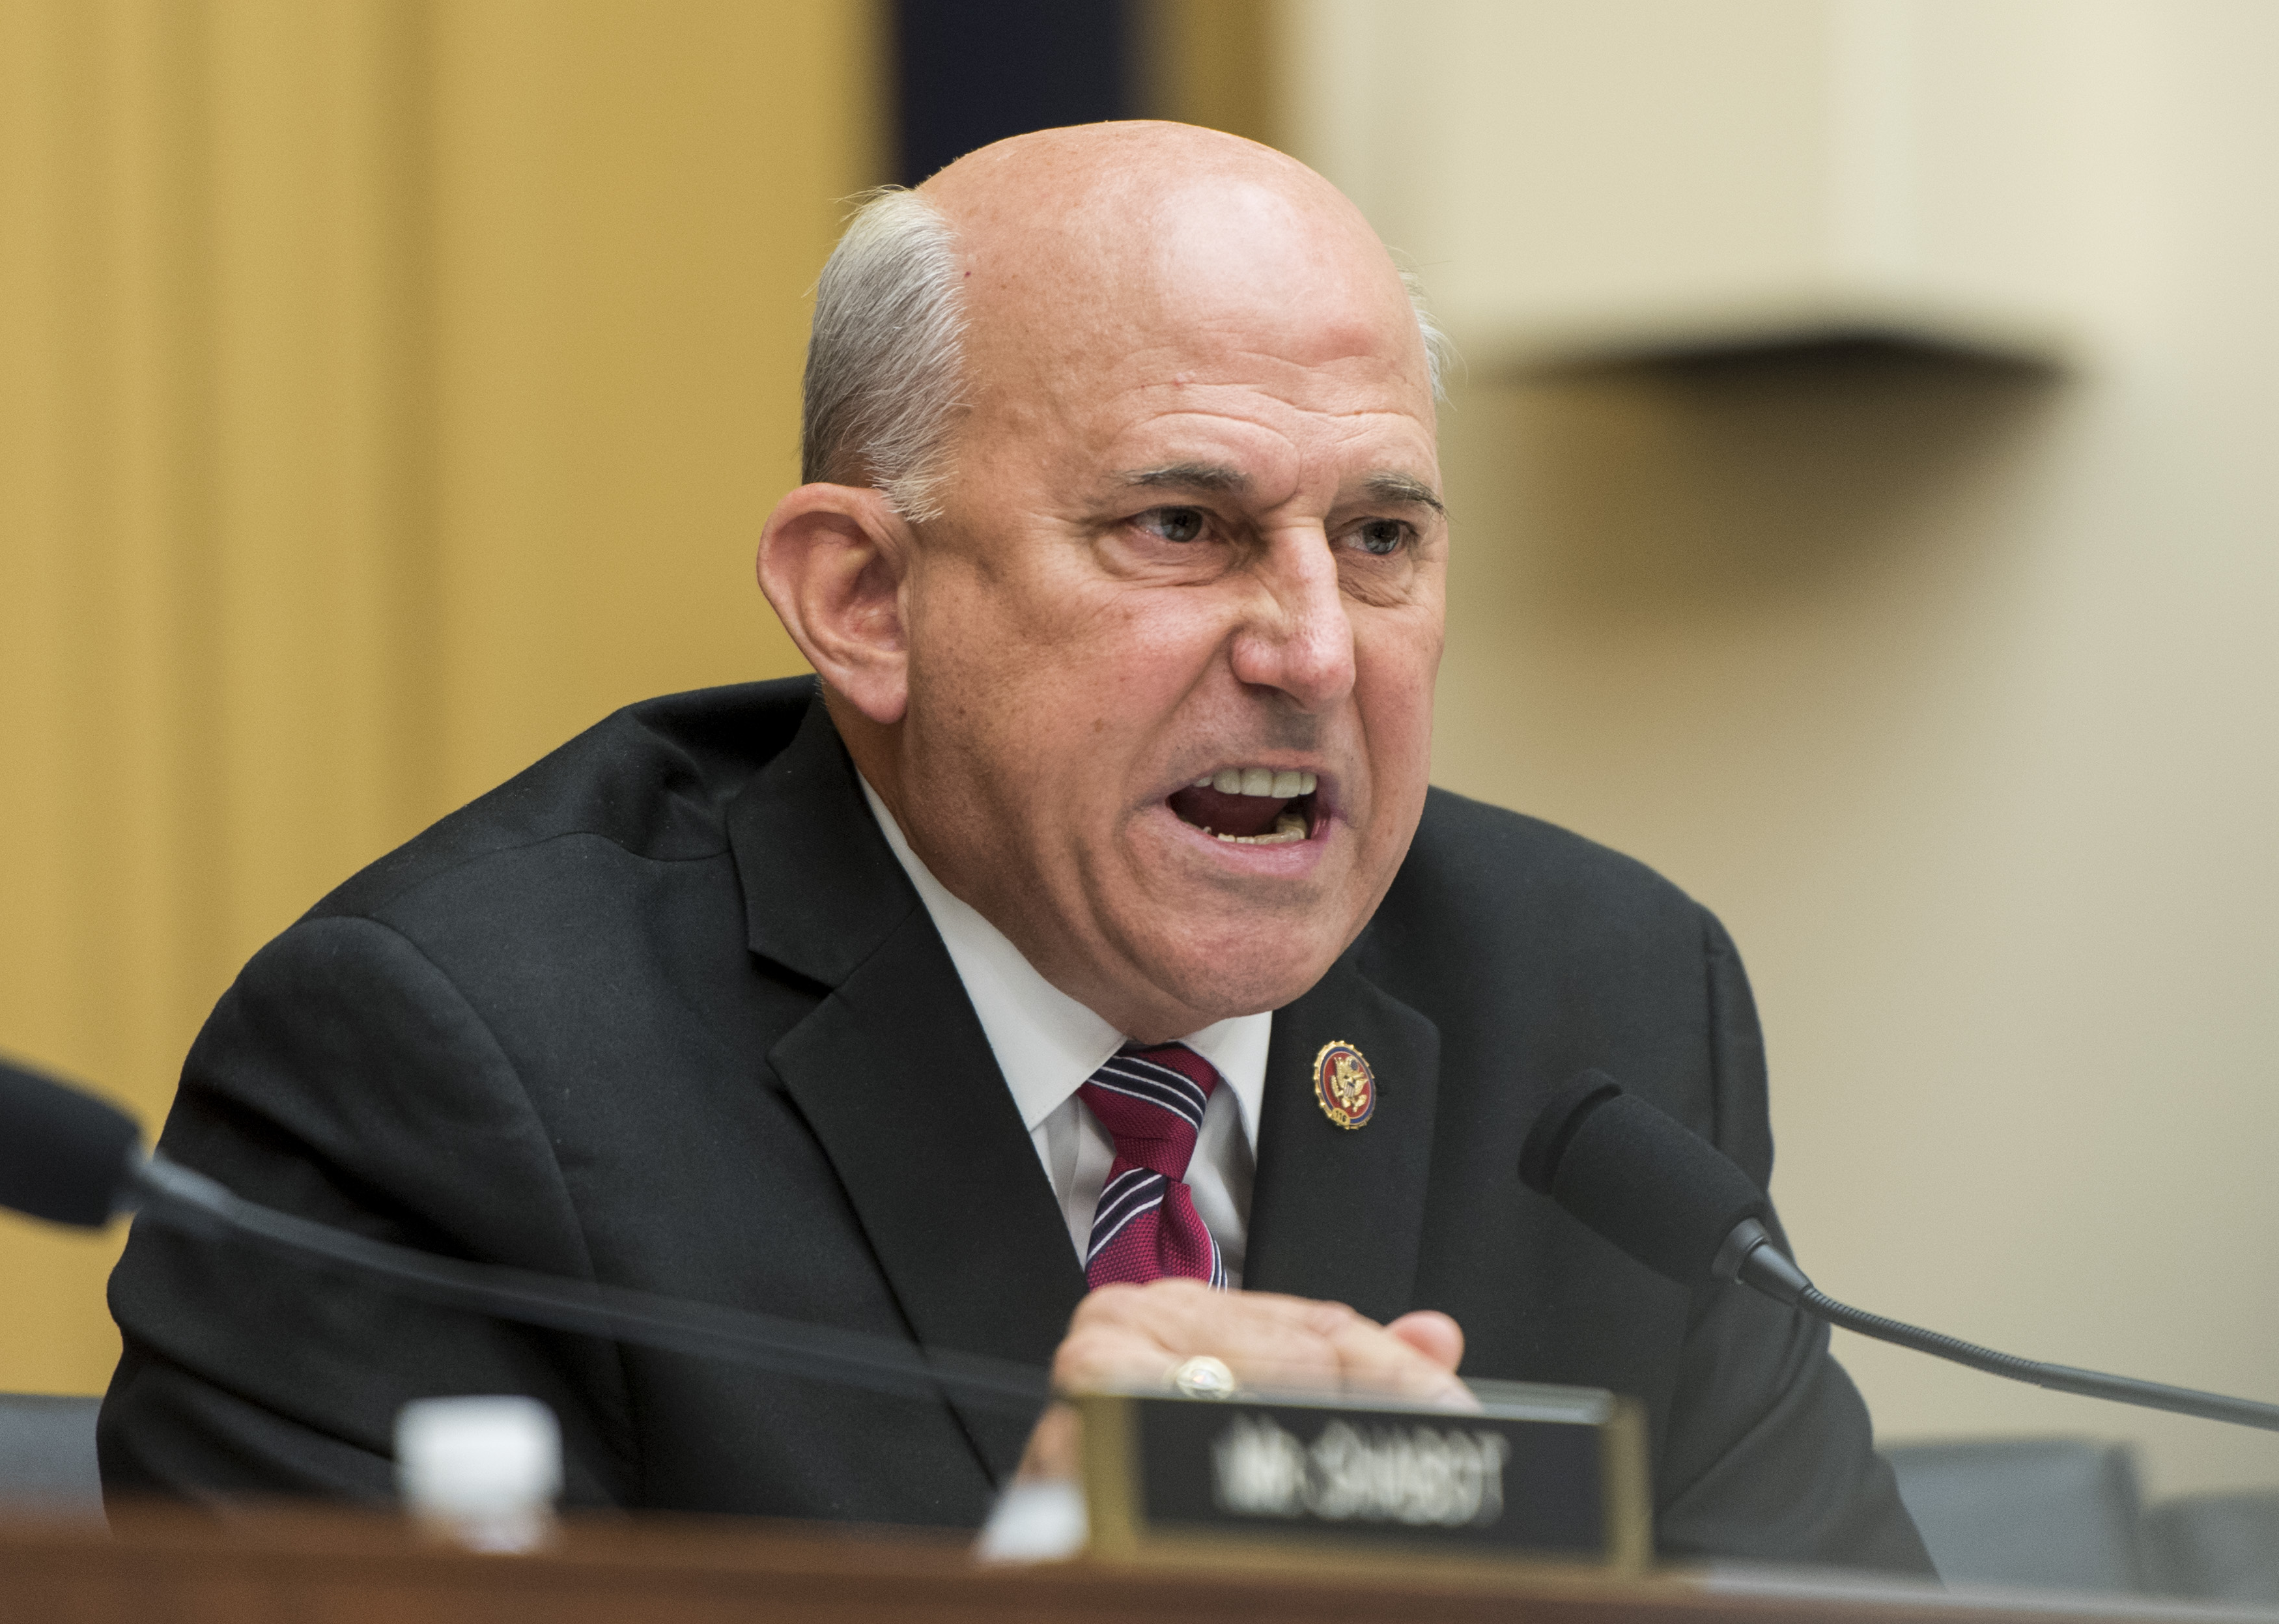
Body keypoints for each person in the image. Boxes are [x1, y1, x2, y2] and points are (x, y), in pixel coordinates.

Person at [99, 122, 1930, 1571]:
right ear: (865, 598)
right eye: (1182, 524)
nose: (1309, 647)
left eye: (1379, 537)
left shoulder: (1594, 1006)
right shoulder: (447, 1071)